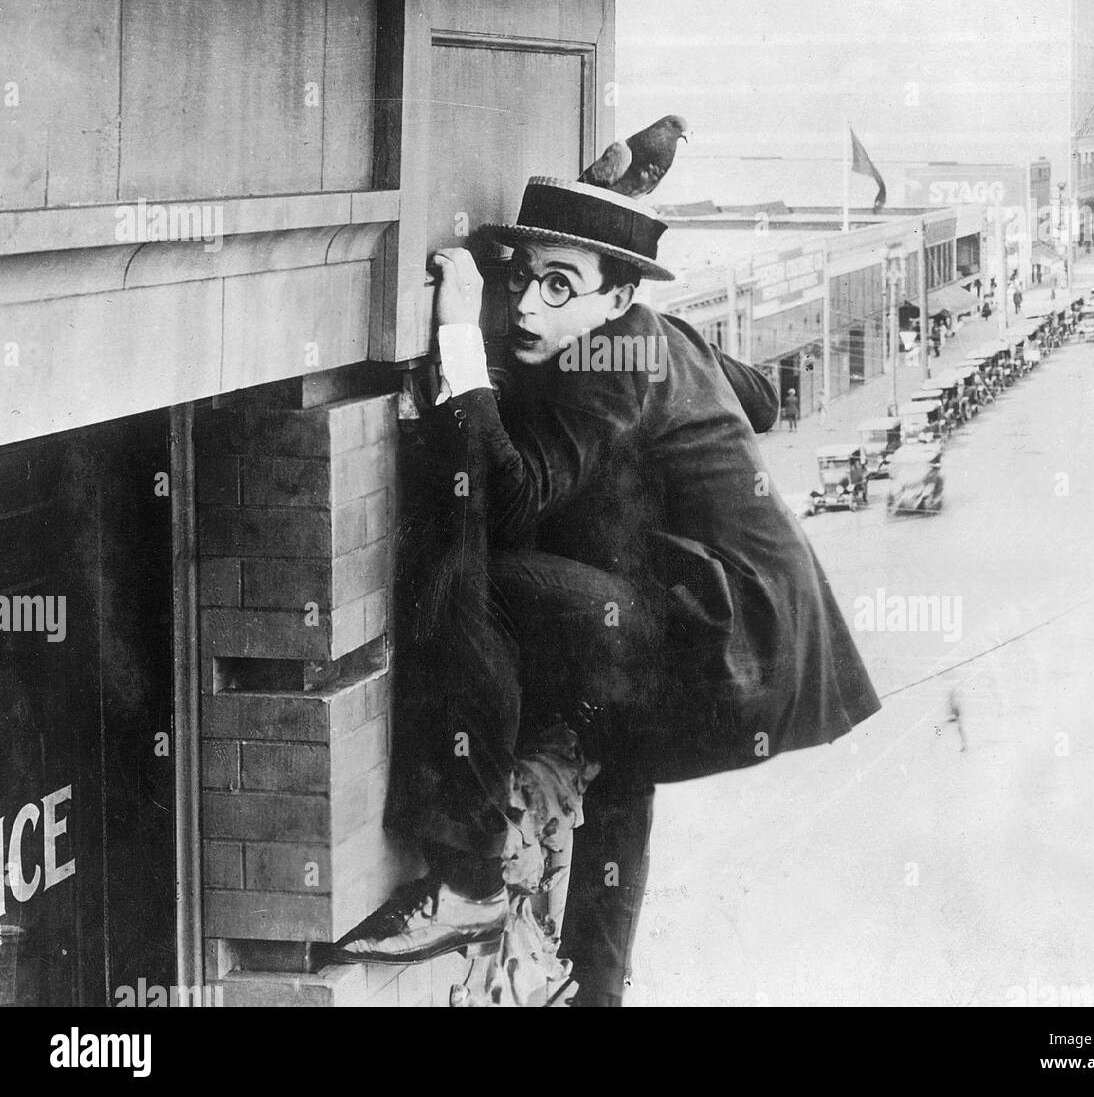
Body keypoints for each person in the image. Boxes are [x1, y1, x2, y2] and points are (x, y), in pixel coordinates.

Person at [334, 176, 881, 1006]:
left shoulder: (604, 361)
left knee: (476, 584)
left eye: (562, 287)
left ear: (617, 295)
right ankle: (597, 992)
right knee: (618, 749)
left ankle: (470, 878)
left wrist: (457, 338)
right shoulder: (658, 335)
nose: (526, 308)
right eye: (521, 278)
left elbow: (511, 500)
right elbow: (763, 400)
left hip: (718, 640)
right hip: (760, 643)